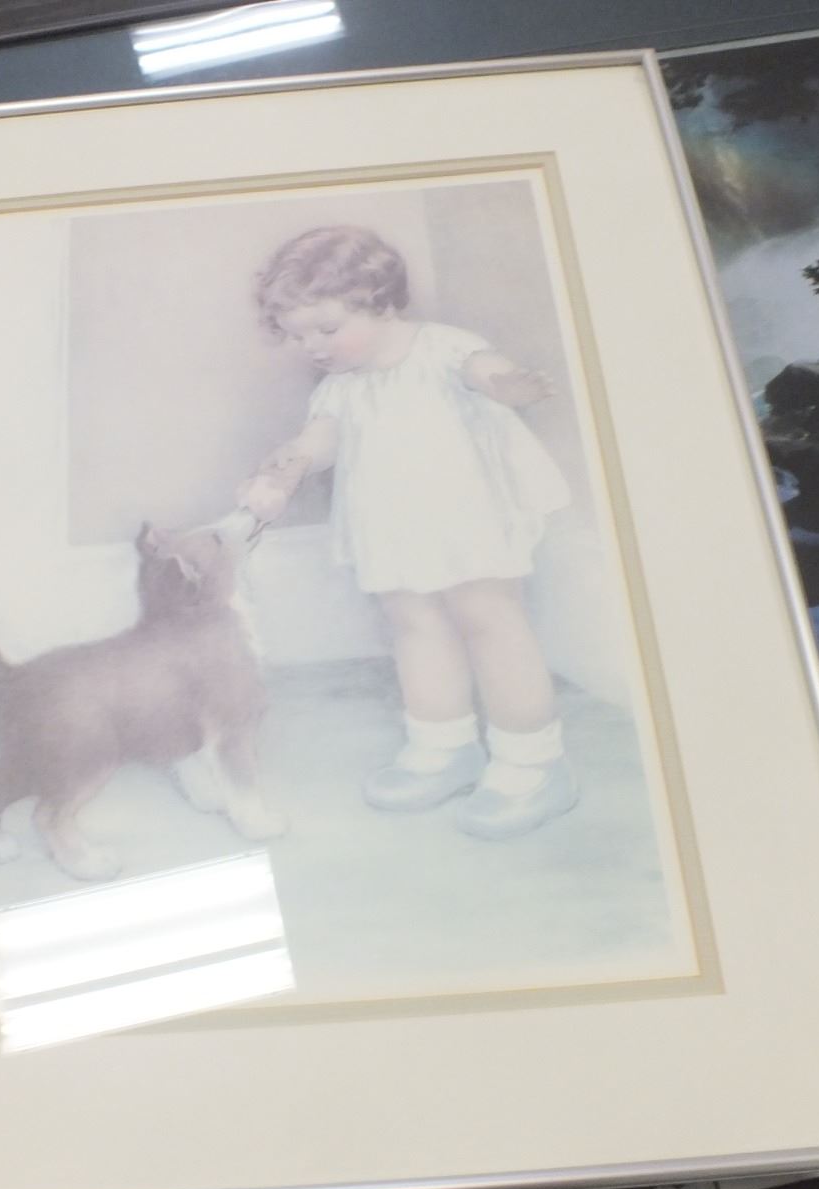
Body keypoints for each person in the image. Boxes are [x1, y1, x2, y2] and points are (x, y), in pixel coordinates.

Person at [239, 224, 580, 839]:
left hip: (466, 518)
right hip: (392, 526)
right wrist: (289, 465)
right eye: (297, 335)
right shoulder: (340, 387)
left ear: (379, 300)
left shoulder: (442, 348)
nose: (311, 346)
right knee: (414, 626)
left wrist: (505, 384)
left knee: (490, 620)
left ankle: (533, 763)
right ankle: (444, 746)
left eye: (326, 329)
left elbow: (482, 369)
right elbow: (320, 440)